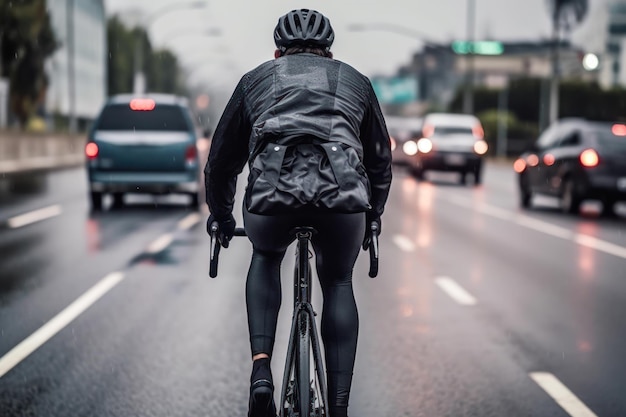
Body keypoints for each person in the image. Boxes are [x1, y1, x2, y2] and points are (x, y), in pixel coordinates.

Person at [204, 8, 392, 417]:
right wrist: (372, 216)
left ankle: (260, 373)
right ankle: (338, 407)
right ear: (329, 53)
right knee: (339, 280)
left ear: (278, 53)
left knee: (266, 255)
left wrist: (221, 216)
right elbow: (379, 159)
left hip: (271, 199)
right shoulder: (355, 82)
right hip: (343, 200)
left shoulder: (254, 81)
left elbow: (221, 163)